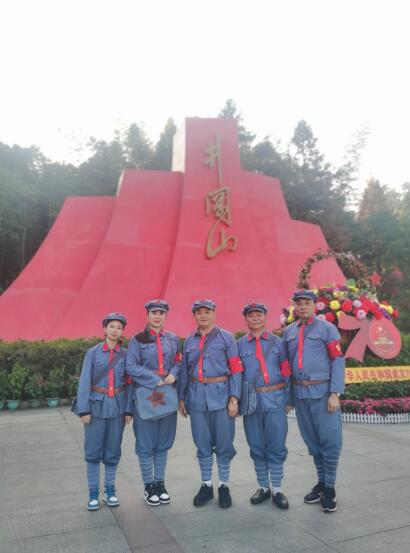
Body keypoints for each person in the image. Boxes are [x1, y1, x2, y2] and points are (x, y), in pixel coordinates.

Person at [282, 290, 345, 513]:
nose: (302, 306)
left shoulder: (327, 329)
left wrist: (335, 393)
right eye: (298, 303)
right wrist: (289, 397)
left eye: (307, 303)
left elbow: (337, 360)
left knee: (330, 441)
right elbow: (287, 368)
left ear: (314, 305)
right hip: (301, 395)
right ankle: (321, 482)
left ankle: (330, 488)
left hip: (323, 394)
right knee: (313, 443)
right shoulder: (288, 332)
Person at [178, 299, 243, 509]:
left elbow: (236, 369)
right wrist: (181, 397)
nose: (203, 315)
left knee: (224, 443)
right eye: (199, 312)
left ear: (214, 314)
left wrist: (234, 398)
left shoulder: (226, 338)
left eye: (207, 312)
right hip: (196, 398)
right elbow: (184, 371)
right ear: (194, 316)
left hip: (222, 398)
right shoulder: (189, 340)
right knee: (202, 442)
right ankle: (206, 485)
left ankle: (223, 485)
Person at [126, 300, 181, 506]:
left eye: (161, 313)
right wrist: (152, 378)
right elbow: (131, 366)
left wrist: (174, 373)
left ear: (165, 316)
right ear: (147, 315)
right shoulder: (137, 340)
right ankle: (149, 486)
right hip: (146, 394)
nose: (157, 316)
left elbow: (178, 361)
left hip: (167, 394)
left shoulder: (172, 338)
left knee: (163, 442)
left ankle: (160, 483)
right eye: (154, 313)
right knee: (146, 442)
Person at [237, 303, 292, 509]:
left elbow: (287, 372)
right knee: (256, 445)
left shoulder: (279, 343)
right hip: (251, 402)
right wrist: (236, 400)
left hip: (275, 399)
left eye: (259, 315)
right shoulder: (240, 345)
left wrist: (289, 399)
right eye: (251, 315)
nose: (255, 319)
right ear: (246, 319)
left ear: (265, 317)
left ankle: (277, 489)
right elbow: (236, 374)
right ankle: (263, 487)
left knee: (276, 444)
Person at [76, 312, 132, 511]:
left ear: (122, 331)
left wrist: (129, 410)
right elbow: (85, 380)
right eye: (111, 326)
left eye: (119, 327)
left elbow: (129, 383)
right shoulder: (93, 353)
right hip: (95, 406)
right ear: (104, 329)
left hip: (118, 407)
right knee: (93, 451)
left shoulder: (125, 354)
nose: (115, 330)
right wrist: (84, 409)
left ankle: (110, 490)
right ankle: (93, 493)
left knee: (113, 450)